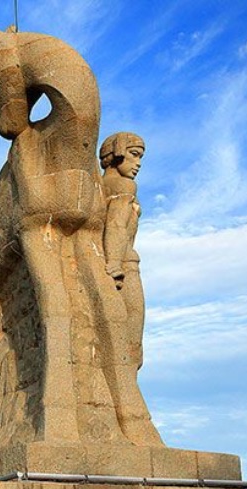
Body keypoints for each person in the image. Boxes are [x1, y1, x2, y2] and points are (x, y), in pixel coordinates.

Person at [100, 132, 147, 370]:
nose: (138, 164)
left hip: (112, 260)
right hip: (124, 264)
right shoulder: (124, 186)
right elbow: (117, 224)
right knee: (132, 342)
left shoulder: (97, 187)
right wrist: (115, 264)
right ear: (117, 153)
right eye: (134, 155)